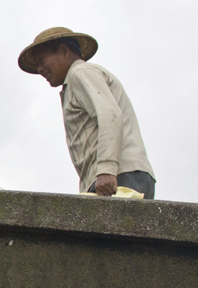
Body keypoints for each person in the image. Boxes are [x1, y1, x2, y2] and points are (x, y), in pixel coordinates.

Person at [18, 27, 156, 198]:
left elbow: (110, 115)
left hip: (119, 176)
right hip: (115, 176)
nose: (39, 68)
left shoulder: (80, 73)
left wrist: (106, 169)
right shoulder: (74, 81)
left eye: (41, 59)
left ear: (63, 51)